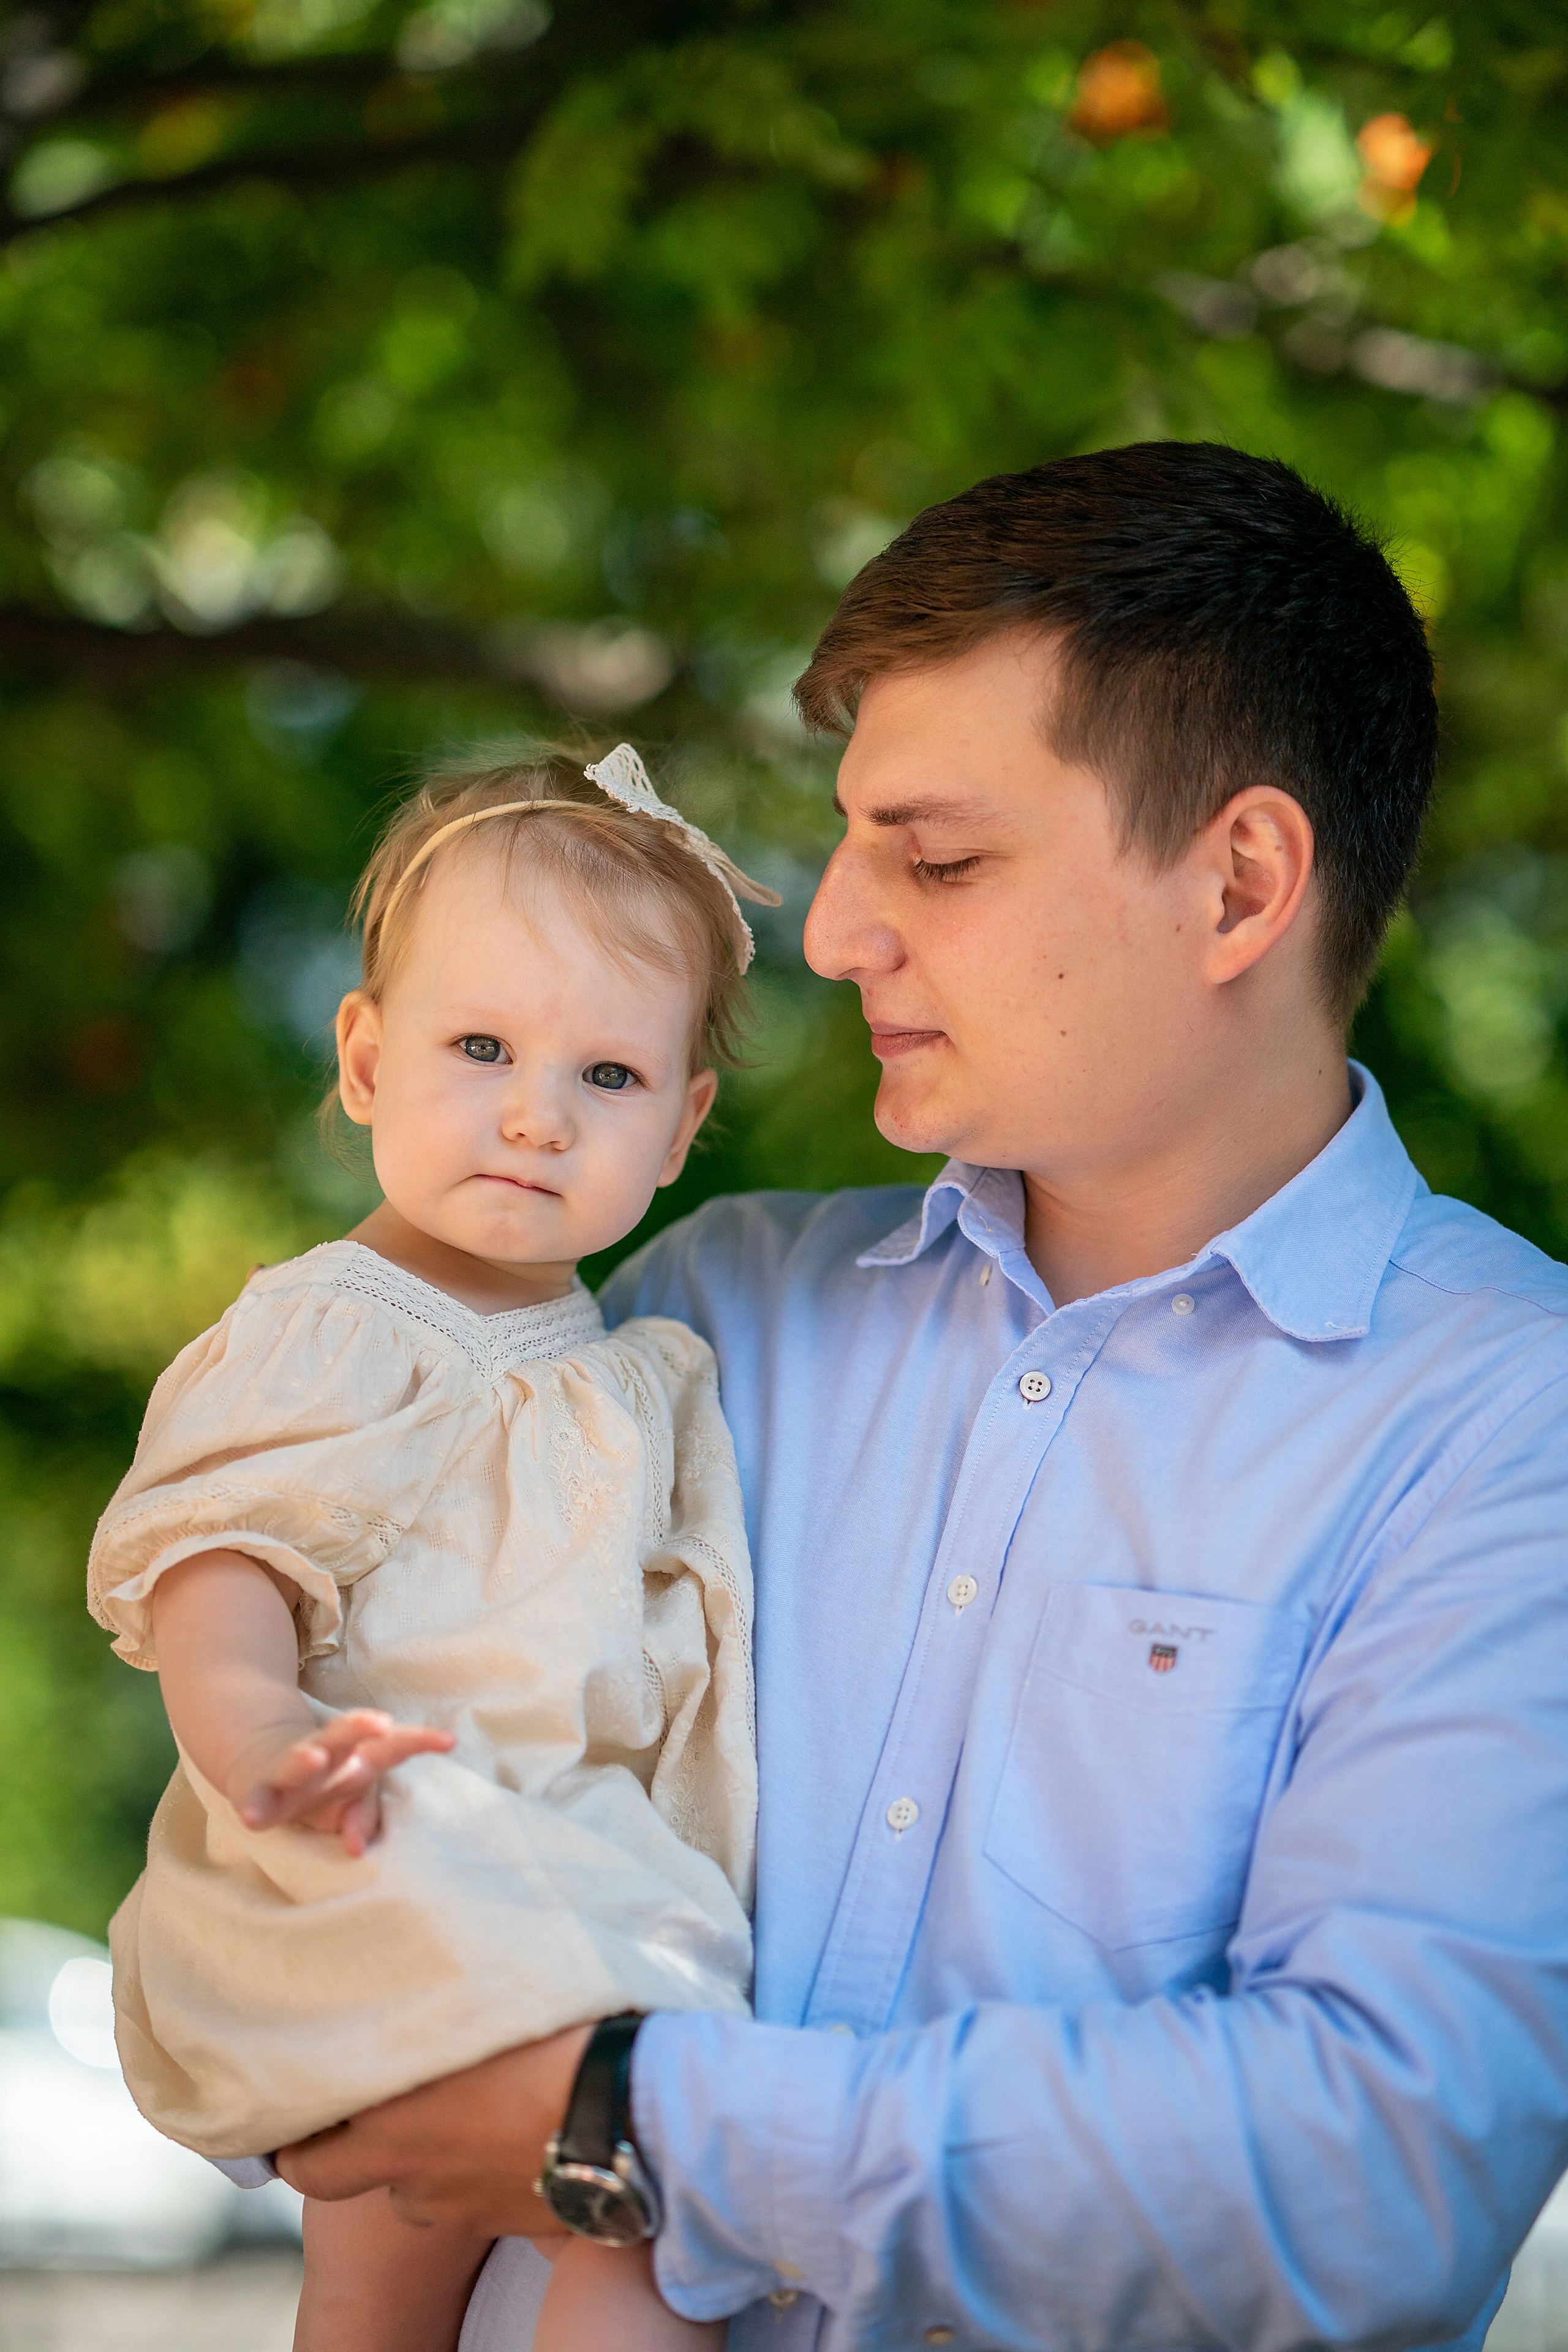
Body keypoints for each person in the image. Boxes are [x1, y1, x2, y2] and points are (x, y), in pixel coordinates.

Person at [278, 441, 1568, 2352]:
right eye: (851, 840)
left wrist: (635, 2126)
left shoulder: (1512, 1421)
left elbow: (1380, 2167)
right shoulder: (705, 1319)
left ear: (1239, 884)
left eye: (938, 858)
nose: (830, 932)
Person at [88, 743, 779, 2352]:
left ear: (684, 1125)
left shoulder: (636, 1368)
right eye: (482, 1049)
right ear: (365, 1058)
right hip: (389, 1852)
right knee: (509, 2249)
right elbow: (224, 1559)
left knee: (562, 2254)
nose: (538, 1116)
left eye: (609, 1078)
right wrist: (261, 1730)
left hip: (572, 1882)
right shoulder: (345, 1327)